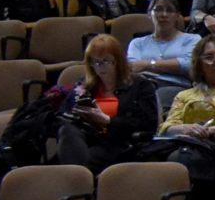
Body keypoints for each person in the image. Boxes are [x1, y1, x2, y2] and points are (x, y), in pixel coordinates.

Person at [56, 34, 161, 170]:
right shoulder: (85, 85)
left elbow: (148, 123)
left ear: (118, 61)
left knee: (82, 159)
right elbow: (62, 112)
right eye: (95, 62)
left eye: (106, 61)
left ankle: (76, 175)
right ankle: (77, 175)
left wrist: (107, 120)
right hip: (87, 138)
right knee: (67, 130)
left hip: (118, 143)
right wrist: (78, 115)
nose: (100, 67)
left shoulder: (140, 85)